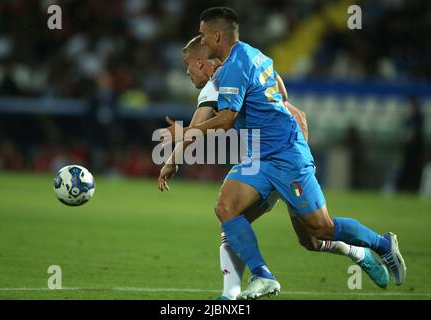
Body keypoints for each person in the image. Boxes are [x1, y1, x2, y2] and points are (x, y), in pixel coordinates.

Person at [160, 7, 406, 299]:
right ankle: (261, 277)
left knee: (321, 230)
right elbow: (283, 95)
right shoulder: (255, 55)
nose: (201, 40)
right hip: (260, 159)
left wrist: (180, 143)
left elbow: (225, 120)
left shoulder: (227, 74)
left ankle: (381, 244)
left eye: (203, 34)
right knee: (227, 209)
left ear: (216, 36)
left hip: (286, 156)